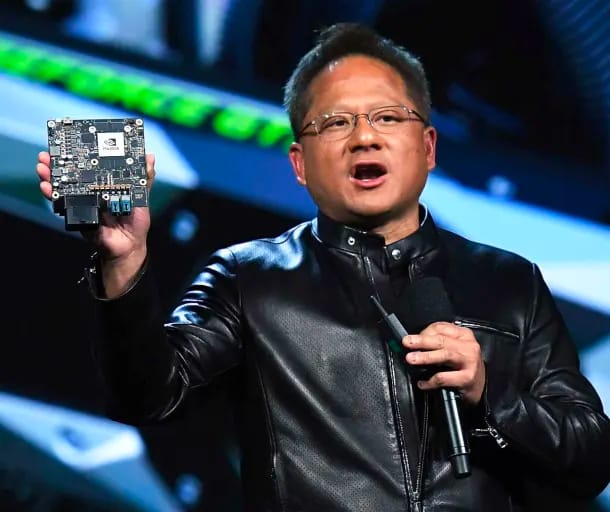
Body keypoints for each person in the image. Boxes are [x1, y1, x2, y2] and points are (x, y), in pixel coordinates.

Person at [36, 22, 610, 512]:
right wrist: (124, 263)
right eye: (335, 123)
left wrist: (491, 394)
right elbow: (148, 396)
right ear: (300, 164)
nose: (364, 138)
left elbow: (589, 461)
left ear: (429, 148)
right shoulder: (247, 278)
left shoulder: (510, 282)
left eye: (388, 117)